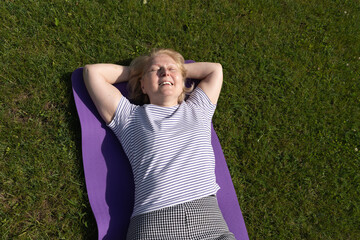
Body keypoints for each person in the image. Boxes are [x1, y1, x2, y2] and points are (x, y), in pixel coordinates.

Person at [83, 49, 235, 239]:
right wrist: (138, 71)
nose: (165, 72)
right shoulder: (129, 117)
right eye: (156, 70)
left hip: (209, 223)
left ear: (183, 83)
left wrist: (172, 71)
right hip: (154, 224)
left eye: (172, 69)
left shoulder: (199, 109)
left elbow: (215, 70)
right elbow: (92, 73)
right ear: (143, 86)